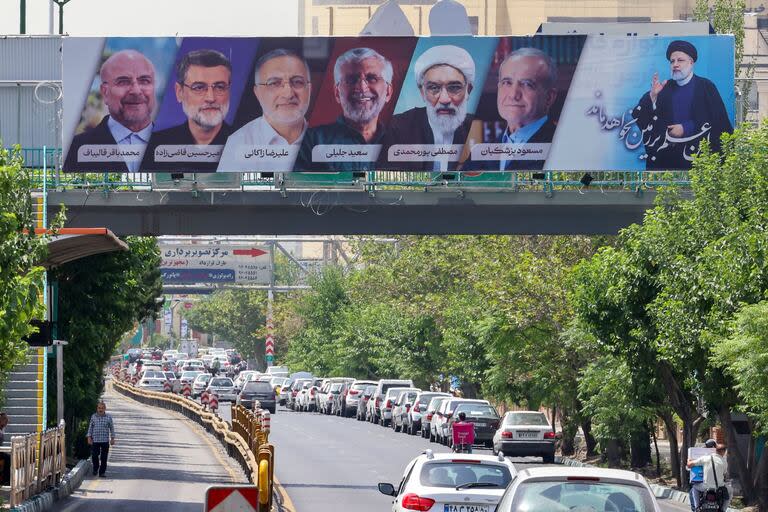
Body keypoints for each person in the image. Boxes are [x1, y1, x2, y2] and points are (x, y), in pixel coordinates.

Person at [631, 40, 732, 169]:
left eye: (680, 60)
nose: (675, 65)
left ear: (691, 62)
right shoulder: (664, 89)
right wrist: (653, 96)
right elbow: (639, 117)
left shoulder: (706, 87)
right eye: (672, 61)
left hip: (698, 160)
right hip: (667, 162)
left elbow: (719, 122)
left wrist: (686, 128)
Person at [295, 47, 394, 172]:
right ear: (337, 93)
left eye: (372, 78)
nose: (362, 88)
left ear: (388, 92)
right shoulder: (309, 141)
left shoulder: (401, 143)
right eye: (351, 79)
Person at [378, 45, 475, 171]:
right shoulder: (396, 129)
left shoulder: (476, 127)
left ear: (468, 90)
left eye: (454, 87)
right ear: (422, 93)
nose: (444, 99)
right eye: (434, 88)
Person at [218, 49, 311, 172]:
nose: (288, 94)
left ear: (309, 89)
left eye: (297, 82)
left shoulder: (327, 141)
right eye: (274, 83)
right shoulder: (238, 144)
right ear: (257, 93)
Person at [64, 49, 157, 172]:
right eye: (123, 82)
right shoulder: (76, 148)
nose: (136, 90)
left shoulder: (176, 145)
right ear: (105, 92)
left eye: (144, 81)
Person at [142, 49, 233, 172]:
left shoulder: (246, 146)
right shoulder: (153, 147)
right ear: (179, 92)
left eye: (220, 87)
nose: (211, 98)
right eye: (199, 87)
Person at [494, 48, 558, 170]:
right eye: (507, 82)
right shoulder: (480, 153)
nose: (513, 95)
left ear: (549, 97)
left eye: (527, 84)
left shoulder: (564, 148)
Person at [686, 439, 727, 511]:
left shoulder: (705, 458)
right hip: (718, 488)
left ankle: (697, 507)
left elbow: (689, 465)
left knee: (694, 488)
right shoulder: (724, 461)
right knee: (729, 493)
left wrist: (689, 460)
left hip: (705, 487)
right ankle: (723, 509)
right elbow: (724, 473)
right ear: (723, 452)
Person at [87, 402, 115, 478]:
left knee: (104, 457)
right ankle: (95, 469)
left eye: (102, 408)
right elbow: (90, 427)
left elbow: (112, 428)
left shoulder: (108, 417)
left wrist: (112, 438)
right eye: (99, 408)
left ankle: (102, 472)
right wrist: (89, 437)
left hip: (105, 440)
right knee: (94, 455)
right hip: (95, 440)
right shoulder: (93, 417)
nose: (100, 409)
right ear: (97, 408)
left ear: (104, 409)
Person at [0, 412, 10, 485]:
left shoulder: (2, 428)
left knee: (8, 457)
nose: (7, 421)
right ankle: (5, 480)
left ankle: (6, 479)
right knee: (7, 458)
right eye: (4, 419)